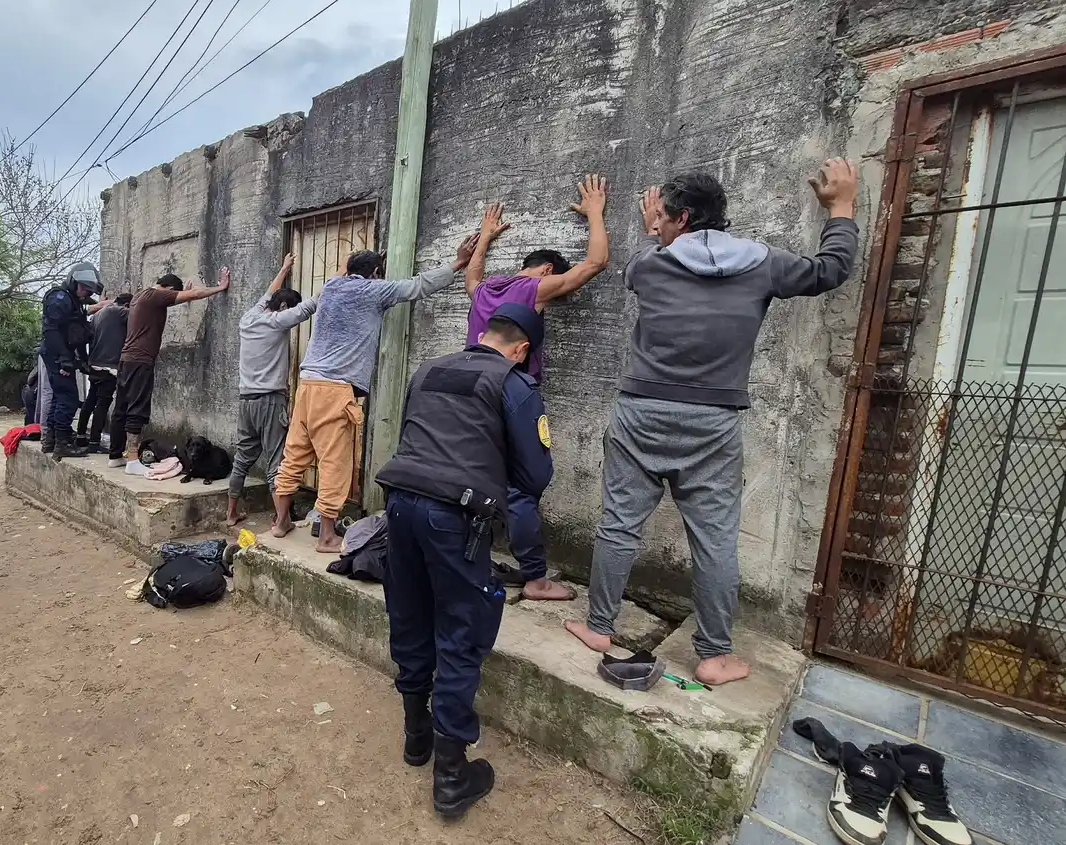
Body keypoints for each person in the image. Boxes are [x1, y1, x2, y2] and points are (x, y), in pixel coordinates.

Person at [565, 160, 860, 686]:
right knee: (715, 540)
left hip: (642, 411)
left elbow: (640, 263)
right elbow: (829, 269)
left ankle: (599, 627)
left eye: (664, 217)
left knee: (619, 524)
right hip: (714, 420)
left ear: (677, 218)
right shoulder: (765, 264)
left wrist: (655, 231)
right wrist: (840, 207)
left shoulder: (649, 265)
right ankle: (715, 655)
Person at [374, 302, 551, 818]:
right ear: (521, 350)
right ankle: (451, 777)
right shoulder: (514, 385)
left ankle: (416, 738)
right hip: (455, 520)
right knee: (461, 630)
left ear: (483, 335)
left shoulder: (428, 368)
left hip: (400, 506)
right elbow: (536, 476)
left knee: (409, 615)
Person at [271, 235, 479, 553]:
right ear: (375, 274)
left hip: (308, 384)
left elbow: (345, 271)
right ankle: (327, 537)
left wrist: (365, 263)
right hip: (336, 390)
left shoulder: (330, 287)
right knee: (335, 463)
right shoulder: (375, 291)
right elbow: (417, 286)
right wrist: (458, 262)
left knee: (294, 456)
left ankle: (280, 523)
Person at [464, 177, 610, 601]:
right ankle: (535, 577)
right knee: (523, 487)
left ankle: (476, 559)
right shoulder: (534, 287)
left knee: (477, 478)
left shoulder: (486, 290)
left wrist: (485, 236)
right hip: (510, 392)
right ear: (547, 270)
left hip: (473, 386)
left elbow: (472, 275)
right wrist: (596, 212)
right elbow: (595, 263)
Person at [107, 269, 232, 467]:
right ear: (170, 289)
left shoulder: (141, 296)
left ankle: (115, 456)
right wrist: (220, 287)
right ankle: (132, 460)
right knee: (137, 408)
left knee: (121, 408)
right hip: (141, 361)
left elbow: (180, 299)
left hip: (126, 359)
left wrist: (183, 297)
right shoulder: (156, 295)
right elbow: (196, 294)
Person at [225, 253, 314, 526]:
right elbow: (310, 306)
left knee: (243, 458)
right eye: (289, 309)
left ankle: (230, 515)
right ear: (285, 307)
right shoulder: (277, 322)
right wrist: (344, 277)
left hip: (246, 401)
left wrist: (284, 269)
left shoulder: (249, 318)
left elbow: (269, 293)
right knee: (277, 461)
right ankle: (281, 521)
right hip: (269, 401)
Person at [39, 261, 104, 459]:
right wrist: (65, 358)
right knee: (68, 398)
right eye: (83, 288)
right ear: (73, 282)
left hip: (63, 355)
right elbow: (51, 331)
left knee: (60, 397)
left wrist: (82, 361)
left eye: (88, 290)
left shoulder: (73, 302)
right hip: (57, 356)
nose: (85, 293)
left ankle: (51, 441)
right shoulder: (59, 298)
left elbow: (77, 333)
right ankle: (62, 444)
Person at [76, 291, 132, 452]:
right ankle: (94, 442)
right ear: (127, 305)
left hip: (95, 364)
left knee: (90, 401)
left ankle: (81, 437)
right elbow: (141, 313)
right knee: (102, 404)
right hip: (109, 366)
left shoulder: (98, 315)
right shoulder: (119, 311)